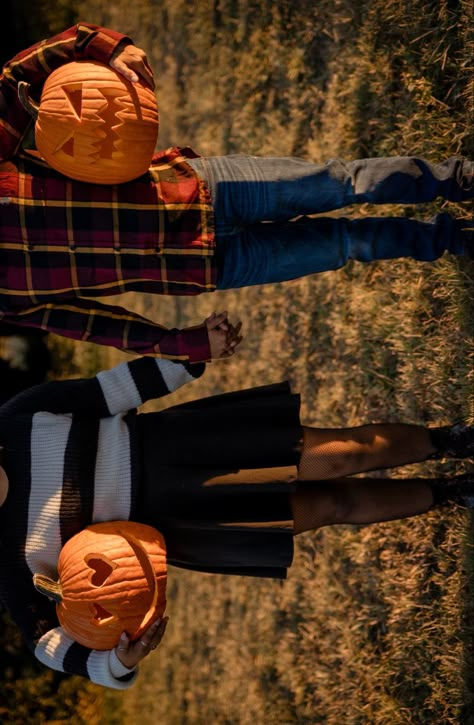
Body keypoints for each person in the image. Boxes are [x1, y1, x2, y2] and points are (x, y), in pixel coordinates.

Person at [0, 23, 472, 364]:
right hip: (211, 265)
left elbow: (11, 80)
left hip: (204, 187)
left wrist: (102, 47)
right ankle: (452, 239)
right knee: (347, 245)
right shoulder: (5, 299)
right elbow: (91, 324)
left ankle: (458, 179)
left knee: (343, 183)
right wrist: (180, 344)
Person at [0, 353, 472, 689]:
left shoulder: (17, 419)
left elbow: (107, 390)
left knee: (339, 454)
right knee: (332, 507)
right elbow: (43, 640)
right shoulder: (6, 557)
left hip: (180, 444)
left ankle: (448, 442)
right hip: (180, 525)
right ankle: (450, 492)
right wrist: (114, 662)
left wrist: (189, 355)